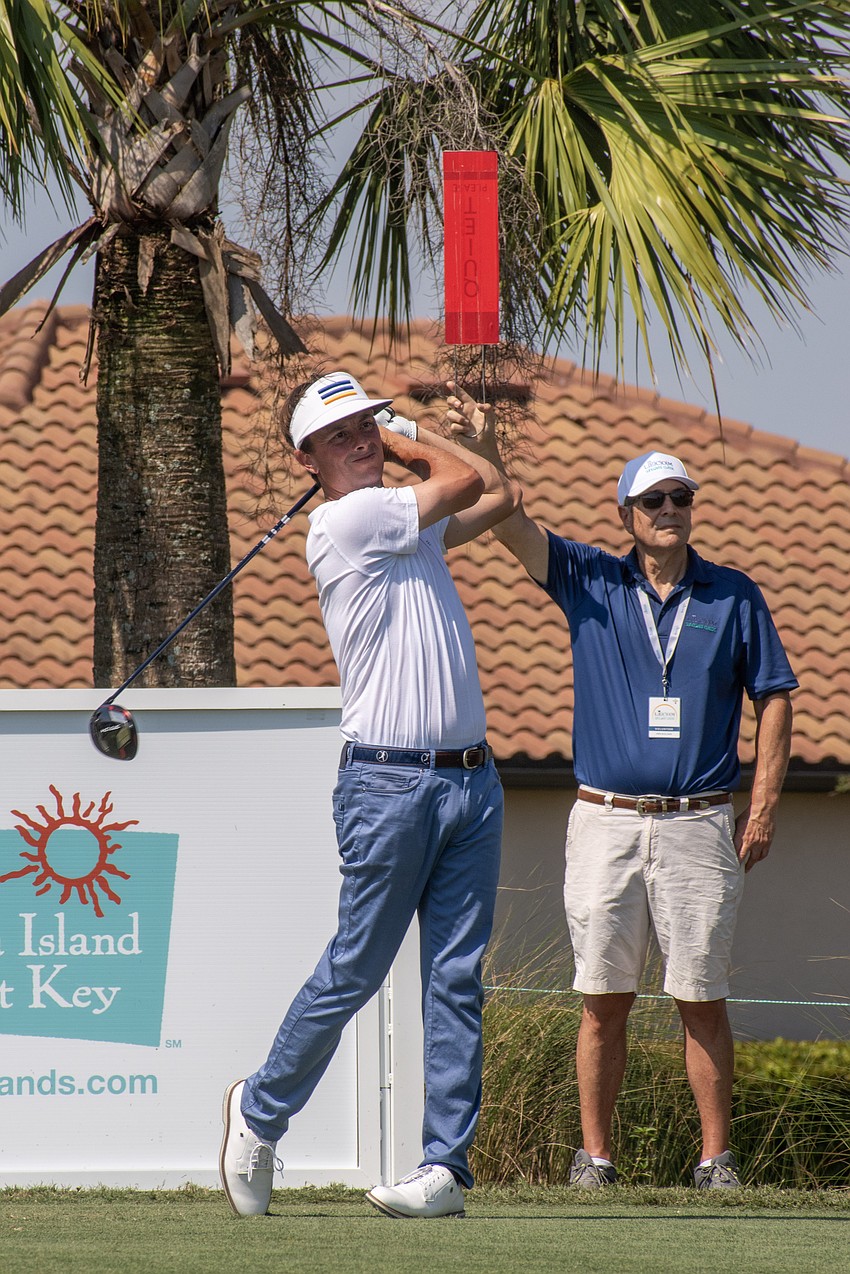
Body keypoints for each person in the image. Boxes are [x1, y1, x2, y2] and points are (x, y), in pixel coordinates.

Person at [449, 438, 796, 1191]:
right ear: (626, 515)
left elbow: (774, 696)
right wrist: (478, 446)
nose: (671, 511)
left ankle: (715, 1163)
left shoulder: (733, 594)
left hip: (700, 823)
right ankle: (594, 1160)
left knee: (701, 997)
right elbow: (509, 518)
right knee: (602, 999)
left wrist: (763, 805)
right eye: (654, 501)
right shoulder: (590, 579)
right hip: (605, 821)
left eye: (682, 498)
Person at [219, 371, 519, 1218]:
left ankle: (444, 1172)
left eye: (364, 428)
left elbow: (500, 491)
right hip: (388, 783)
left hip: (472, 781)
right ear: (309, 459)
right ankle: (259, 1109)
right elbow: (460, 483)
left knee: (456, 978)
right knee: (357, 967)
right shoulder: (347, 520)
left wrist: (424, 434)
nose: (359, 441)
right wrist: (401, 429)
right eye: (341, 434)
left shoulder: (409, 526)